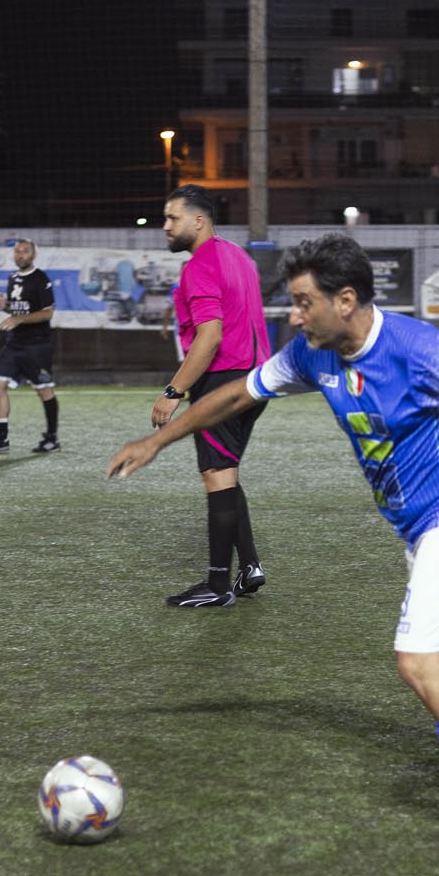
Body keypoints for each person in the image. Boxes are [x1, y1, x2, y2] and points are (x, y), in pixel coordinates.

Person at [109, 234, 439, 862]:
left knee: (419, 663)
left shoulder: (421, 349)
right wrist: (159, 440)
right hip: (422, 526)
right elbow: (237, 394)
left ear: (345, 300)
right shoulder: (314, 354)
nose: (294, 317)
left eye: (304, 303)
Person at [151, 184, 269, 608]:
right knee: (226, 473)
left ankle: (217, 586)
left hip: (222, 381)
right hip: (256, 379)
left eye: (173, 218)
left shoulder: (199, 265)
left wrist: (173, 391)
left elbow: (210, 337)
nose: (166, 226)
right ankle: (249, 566)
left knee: (217, 475)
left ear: (198, 221)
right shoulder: (238, 256)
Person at [0, 239, 61, 454]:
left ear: (33, 255)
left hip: (37, 345)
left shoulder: (40, 278)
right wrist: (6, 307)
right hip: (15, 343)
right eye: (17, 252)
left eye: (25, 251)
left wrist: (18, 319)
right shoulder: (13, 278)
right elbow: (18, 310)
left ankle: (52, 438)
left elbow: (47, 313)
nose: (20, 255)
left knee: (44, 390)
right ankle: (1, 438)